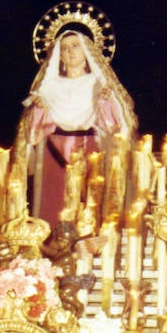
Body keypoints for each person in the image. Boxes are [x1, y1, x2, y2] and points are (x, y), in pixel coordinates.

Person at [16, 28, 137, 226]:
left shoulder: (97, 83)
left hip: (89, 148)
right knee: (55, 201)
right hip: (54, 149)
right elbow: (34, 133)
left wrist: (105, 102)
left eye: (75, 46)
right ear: (60, 56)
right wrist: (40, 109)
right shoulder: (49, 86)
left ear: (86, 51)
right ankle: (53, 246)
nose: (70, 52)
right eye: (64, 48)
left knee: (87, 199)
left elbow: (113, 126)